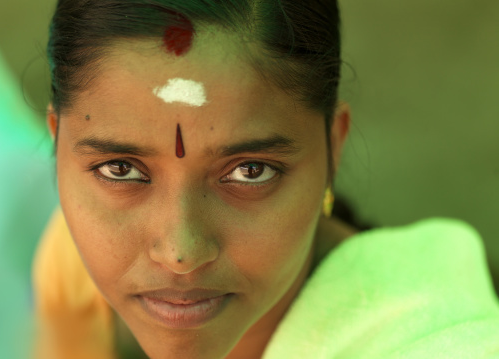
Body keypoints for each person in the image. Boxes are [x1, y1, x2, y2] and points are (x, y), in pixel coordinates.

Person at [32, 1, 499, 358]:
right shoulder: (70, 265)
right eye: (121, 169)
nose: (180, 253)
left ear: (333, 148)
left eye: (249, 171)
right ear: (58, 149)